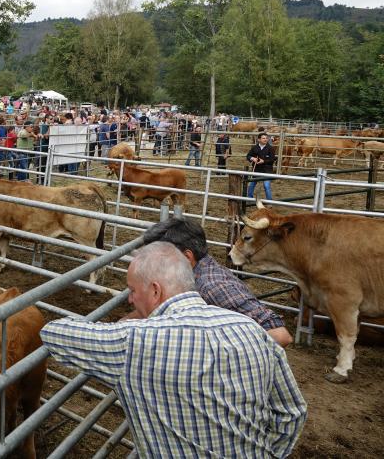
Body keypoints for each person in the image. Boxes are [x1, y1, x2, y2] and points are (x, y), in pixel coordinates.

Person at [40, 241, 307, 458]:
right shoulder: (250, 329)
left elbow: (54, 333)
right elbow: (292, 412)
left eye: (132, 291)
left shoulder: (133, 342)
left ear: (155, 291)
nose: (130, 299)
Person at [141, 217, 293, 347]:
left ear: (187, 257)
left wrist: (220, 358)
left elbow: (280, 335)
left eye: (159, 257)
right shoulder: (186, 275)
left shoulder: (213, 286)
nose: (153, 263)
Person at [247, 132, 276, 200]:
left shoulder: (270, 148)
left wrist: (264, 161)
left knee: (266, 186)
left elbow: (272, 159)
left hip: (267, 170)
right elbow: (248, 156)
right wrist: (253, 158)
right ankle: (249, 199)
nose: (265, 139)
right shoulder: (254, 147)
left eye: (266, 138)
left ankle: (269, 202)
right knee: (251, 185)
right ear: (259, 139)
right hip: (256, 169)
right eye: (263, 138)